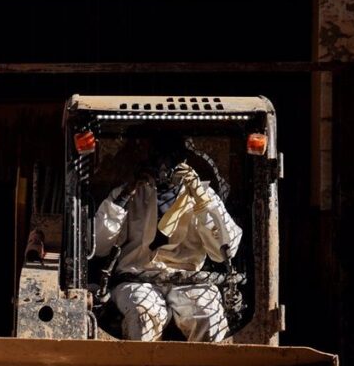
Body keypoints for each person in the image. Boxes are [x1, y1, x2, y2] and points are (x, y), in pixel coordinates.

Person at [93, 138, 242, 342]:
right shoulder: (128, 194)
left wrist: (203, 204)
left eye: (171, 159)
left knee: (209, 315)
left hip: (190, 279)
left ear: (184, 162)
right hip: (136, 278)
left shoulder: (203, 195)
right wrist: (124, 197)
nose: (164, 167)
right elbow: (99, 246)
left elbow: (226, 251)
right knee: (142, 313)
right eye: (157, 159)